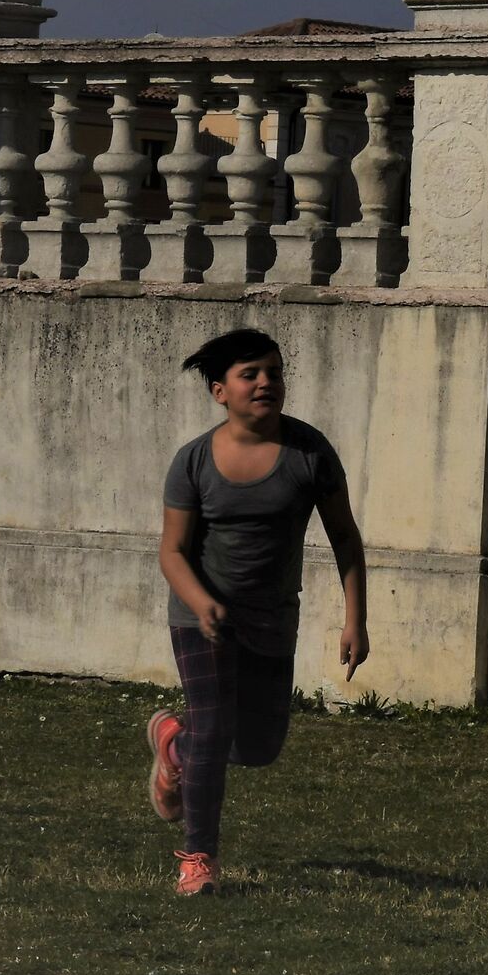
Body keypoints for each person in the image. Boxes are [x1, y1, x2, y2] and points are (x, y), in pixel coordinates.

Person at [146, 329, 369, 896]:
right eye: (251, 374)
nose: (266, 382)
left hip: (272, 617)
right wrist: (202, 603)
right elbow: (172, 553)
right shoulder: (193, 461)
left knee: (261, 747)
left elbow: (344, 536)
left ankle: (174, 743)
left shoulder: (309, 453)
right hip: (201, 617)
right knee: (217, 729)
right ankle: (198, 860)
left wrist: (355, 619)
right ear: (221, 391)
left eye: (274, 372)